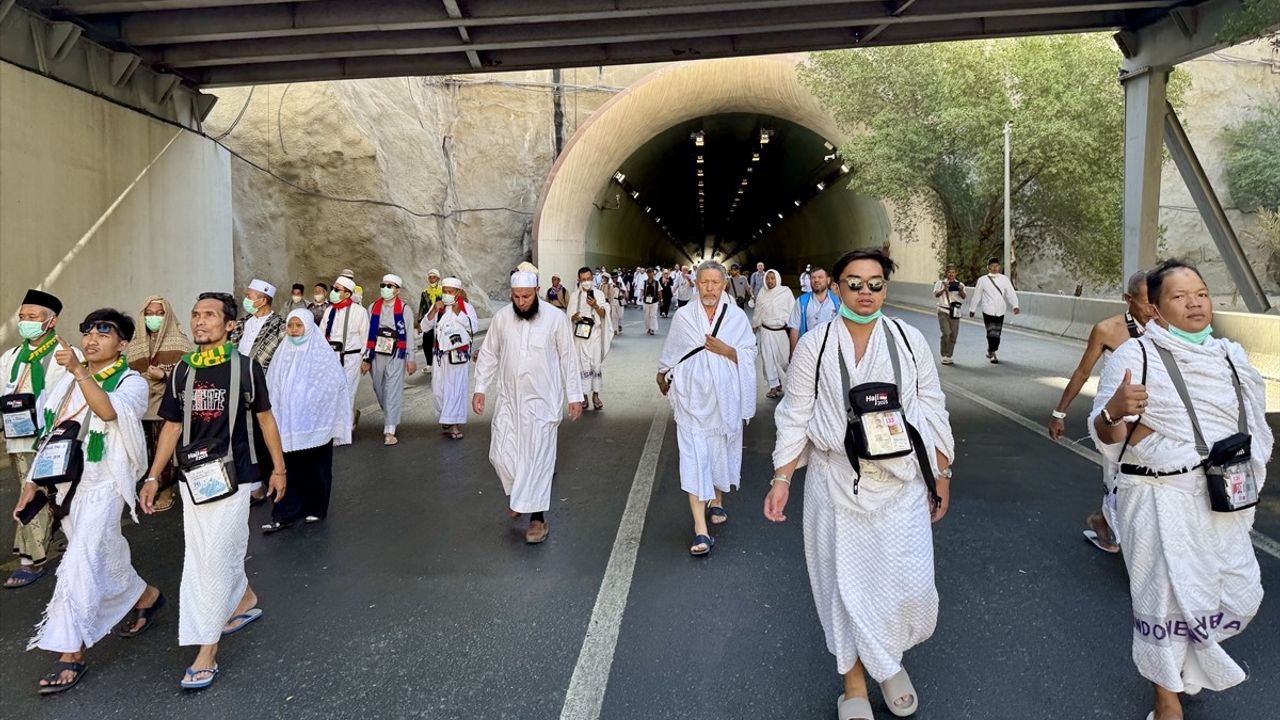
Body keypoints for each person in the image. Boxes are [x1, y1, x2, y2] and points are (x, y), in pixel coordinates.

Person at [765, 248, 954, 720]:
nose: (865, 293)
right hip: (836, 483)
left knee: (903, 584)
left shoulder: (910, 341)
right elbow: (795, 416)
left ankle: (888, 664)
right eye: (855, 283)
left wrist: (942, 472)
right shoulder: (815, 345)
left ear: (885, 288)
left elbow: (932, 408)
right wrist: (782, 477)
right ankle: (853, 684)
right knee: (843, 587)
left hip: (902, 483)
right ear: (836, 287)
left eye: (875, 284)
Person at [1089, 259, 1270, 720]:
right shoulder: (1137, 356)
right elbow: (1109, 437)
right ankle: (1165, 697)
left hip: (1219, 496)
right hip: (1156, 500)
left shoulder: (1232, 356)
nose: (1195, 303)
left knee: (1239, 591)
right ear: (1155, 307)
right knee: (1163, 598)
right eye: (1179, 296)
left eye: (1203, 294)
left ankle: (1184, 666)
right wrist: (1113, 412)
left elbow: (1252, 429)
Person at [140, 292, 287, 691]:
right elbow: (170, 426)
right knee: (206, 549)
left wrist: (279, 468)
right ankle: (244, 599)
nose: (200, 321)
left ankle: (206, 651)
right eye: (195, 314)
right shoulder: (182, 371)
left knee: (213, 556)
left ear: (229, 325)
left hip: (235, 476)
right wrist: (153, 477)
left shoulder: (245, 368)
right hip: (194, 479)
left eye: (209, 315)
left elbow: (266, 420)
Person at [13, 309, 164, 694]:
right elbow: (51, 433)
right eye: (87, 330)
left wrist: (81, 372)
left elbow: (109, 410)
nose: (92, 337)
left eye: (104, 331)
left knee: (80, 560)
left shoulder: (131, 381)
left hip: (105, 485)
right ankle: (147, 595)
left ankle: (69, 653)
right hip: (67, 486)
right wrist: (31, 483)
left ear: (123, 344)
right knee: (105, 554)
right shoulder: (64, 381)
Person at [472, 271, 583, 544]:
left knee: (537, 460)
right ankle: (520, 495)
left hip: (542, 402)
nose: (521, 302)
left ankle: (537, 519)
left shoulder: (555, 319)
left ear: (537, 290)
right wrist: (479, 388)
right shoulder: (502, 318)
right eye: (517, 297)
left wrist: (575, 395)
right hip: (510, 401)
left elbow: (568, 358)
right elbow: (488, 354)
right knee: (500, 453)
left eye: (526, 296)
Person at [657, 261, 756, 556]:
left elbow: (750, 353)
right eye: (705, 283)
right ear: (696, 284)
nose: (710, 288)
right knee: (693, 456)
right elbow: (673, 351)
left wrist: (727, 350)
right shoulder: (685, 316)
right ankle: (700, 529)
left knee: (720, 449)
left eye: (715, 282)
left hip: (724, 401)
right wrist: (662, 373)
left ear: (724, 284)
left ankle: (717, 498)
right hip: (691, 399)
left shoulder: (736, 318)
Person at [1049, 270, 1152, 554]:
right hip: (1116, 418)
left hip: (1153, 419)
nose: (1152, 309)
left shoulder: (1166, 325)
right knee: (1118, 479)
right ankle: (1108, 528)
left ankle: (1113, 527)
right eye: (1145, 302)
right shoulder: (1107, 329)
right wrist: (1059, 414)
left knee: (1146, 482)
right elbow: (1083, 372)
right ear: (1127, 299)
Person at [2, 289, 76, 589]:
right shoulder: (11, 357)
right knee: (31, 495)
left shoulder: (66, 354)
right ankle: (32, 556)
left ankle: (34, 558)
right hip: (19, 439)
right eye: (22, 317)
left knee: (61, 494)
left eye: (33, 317)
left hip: (54, 440)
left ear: (51, 321)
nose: (26, 322)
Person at [262, 309, 351, 532]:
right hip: (286, 424)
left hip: (315, 425)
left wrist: (314, 407)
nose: (293, 330)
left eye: (298, 326)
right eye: (290, 326)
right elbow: (272, 386)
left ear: (309, 327)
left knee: (316, 468)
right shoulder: (283, 353)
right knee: (286, 467)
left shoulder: (321, 353)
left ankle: (316, 507)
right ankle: (285, 513)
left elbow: (335, 386)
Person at [126, 296, 192, 514]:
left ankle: (166, 490)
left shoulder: (180, 342)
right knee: (145, 451)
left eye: (159, 313)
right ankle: (150, 486)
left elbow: (189, 376)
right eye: (149, 313)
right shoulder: (136, 343)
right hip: (141, 406)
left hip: (166, 404)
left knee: (165, 449)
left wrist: (164, 375)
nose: (153, 318)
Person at [230, 278, 286, 505]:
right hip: (237, 386)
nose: (246, 299)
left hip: (263, 387)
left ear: (263, 300)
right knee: (241, 437)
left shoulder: (280, 326)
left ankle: (272, 477)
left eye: (250, 296)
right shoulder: (241, 324)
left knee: (264, 437)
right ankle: (252, 486)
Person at [361, 274, 417, 446]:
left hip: (396, 354)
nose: (385, 289)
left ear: (397, 290)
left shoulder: (404, 309)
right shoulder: (373, 308)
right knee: (379, 388)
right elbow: (367, 333)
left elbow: (408, 334)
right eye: (383, 285)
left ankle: (389, 430)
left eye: (390, 286)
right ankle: (390, 415)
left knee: (392, 389)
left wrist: (411, 357)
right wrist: (366, 358)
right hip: (376, 353)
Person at [423, 277, 478, 440]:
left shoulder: (466, 307)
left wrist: (457, 312)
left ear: (458, 292)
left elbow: (473, 327)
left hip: (458, 355)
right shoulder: (438, 307)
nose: (446, 295)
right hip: (440, 356)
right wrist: (433, 310)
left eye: (450, 292)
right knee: (438, 390)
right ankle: (446, 417)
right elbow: (425, 326)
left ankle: (454, 424)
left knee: (455, 389)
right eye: (444, 291)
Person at [324, 276, 371, 425]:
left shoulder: (359, 312)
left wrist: (366, 359)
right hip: (332, 358)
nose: (333, 292)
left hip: (351, 358)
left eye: (337, 290)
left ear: (347, 294)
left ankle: (345, 428)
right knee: (333, 393)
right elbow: (322, 334)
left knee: (347, 393)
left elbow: (366, 337)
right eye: (333, 288)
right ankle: (342, 422)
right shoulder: (329, 311)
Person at [568, 266, 614, 411]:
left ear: (592, 279)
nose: (586, 282)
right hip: (580, 337)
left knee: (595, 364)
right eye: (583, 279)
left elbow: (603, 314)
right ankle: (584, 397)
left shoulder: (599, 294)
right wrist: (573, 317)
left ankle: (595, 395)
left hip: (594, 334)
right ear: (579, 280)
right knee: (582, 365)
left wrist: (594, 305)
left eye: (588, 279)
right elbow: (569, 316)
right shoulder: (574, 296)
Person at [967, 257, 1020, 364]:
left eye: (996, 266)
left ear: (999, 267)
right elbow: (977, 295)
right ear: (988, 268)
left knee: (997, 333)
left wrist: (1015, 305)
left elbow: (1010, 293)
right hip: (988, 309)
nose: (995, 268)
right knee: (991, 332)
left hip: (1000, 309)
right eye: (992, 266)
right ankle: (993, 353)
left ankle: (991, 349)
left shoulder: (1004, 279)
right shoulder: (982, 280)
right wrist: (972, 309)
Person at [753, 269, 795, 399]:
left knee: (784, 359)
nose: (770, 281)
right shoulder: (762, 293)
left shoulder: (786, 292)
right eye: (767, 278)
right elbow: (757, 312)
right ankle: (773, 386)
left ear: (777, 278)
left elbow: (793, 311)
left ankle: (783, 382)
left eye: (772, 278)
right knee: (768, 359)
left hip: (782, 332)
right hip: (766, 332)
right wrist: (753, 330)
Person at [788, 266, 837, 356]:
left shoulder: (837, 302)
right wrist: (793, 354)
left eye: (820, 277)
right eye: (813, 278)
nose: (816, 280)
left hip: (830, 352)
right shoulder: (801, 301)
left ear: (828, 280)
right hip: (807, 350)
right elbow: (794, 328)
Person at [932, 266, 967, 365]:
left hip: (955, 312)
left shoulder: (960, 284)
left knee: (954, 334)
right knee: (946, 332)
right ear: (946, 273)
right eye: (949, 272)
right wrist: (944, 289)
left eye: (953, 272)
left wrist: (960, 290)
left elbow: (964, 297)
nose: (951, 274)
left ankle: (949, 355)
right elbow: (936, 295)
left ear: (956, 273)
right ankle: (943, 354)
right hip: (943, 310)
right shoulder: (940, 283)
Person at [419, 270, 444, 367]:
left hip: (440, 319)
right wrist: (420, 322)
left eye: (434, 277)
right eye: (430, 277)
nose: (432, 279)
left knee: (440, 340)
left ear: (438, 278)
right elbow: (422, 307)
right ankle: (429, 363)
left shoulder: (443, 291)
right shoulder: (425, 293)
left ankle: (441, 361)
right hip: (429, 318)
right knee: (426, 342)